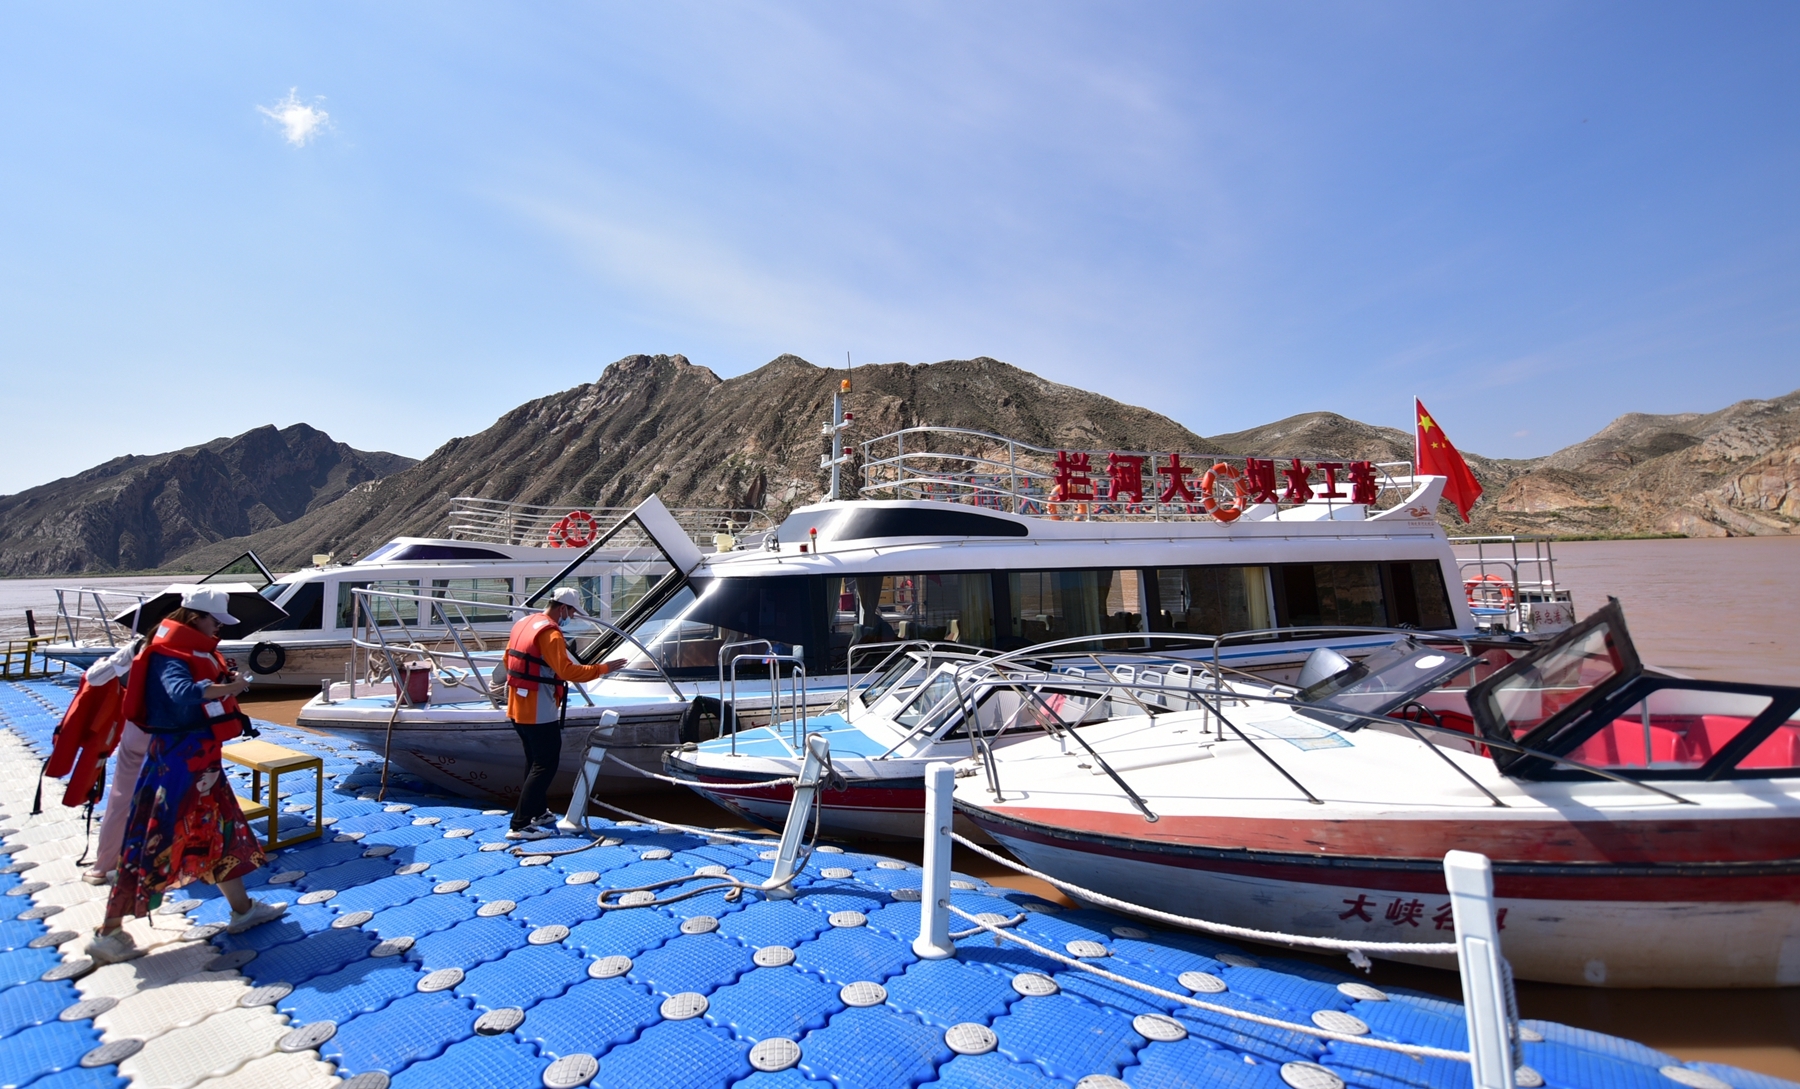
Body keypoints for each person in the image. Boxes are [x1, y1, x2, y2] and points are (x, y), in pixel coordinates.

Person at [85, 587, 287, 965]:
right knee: (154, 841)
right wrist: (231, 687)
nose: (217, 629)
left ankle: (242, 910)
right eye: (214, 621)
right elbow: (180, 693)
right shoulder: (168, 655)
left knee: (222, 830)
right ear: (195, 618)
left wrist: (223, 677)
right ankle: (109, 932)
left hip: (202, 763)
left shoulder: (193, 652)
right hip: (178, 767)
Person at [502, 587, 625, 840]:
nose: (572, 616)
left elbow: (507, 659)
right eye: (571, 612)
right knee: (545, 764)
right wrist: (602, 668)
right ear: (562, 608)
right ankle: (520, 824)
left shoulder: (524, 622)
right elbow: (567, 671)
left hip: (516, 706)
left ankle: (538, 812)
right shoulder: (551, 633)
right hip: (537, 709)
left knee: (534, 761)